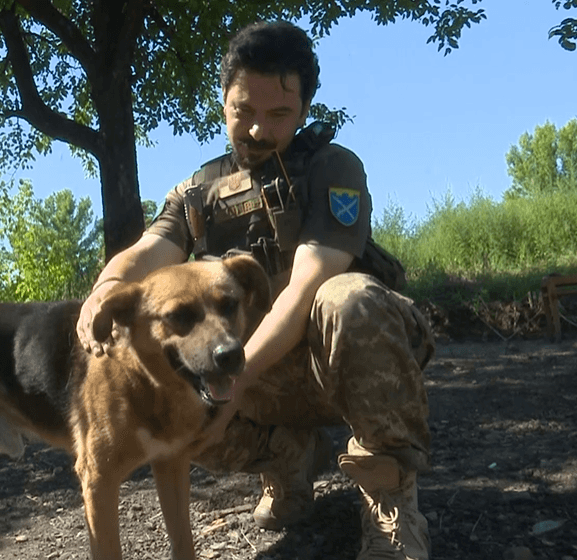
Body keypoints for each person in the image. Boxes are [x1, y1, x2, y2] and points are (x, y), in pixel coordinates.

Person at [76, 20, 435, 560]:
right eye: (243, 110)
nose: (259, 130)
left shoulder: (334, 168)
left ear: (304, 111)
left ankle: (389, 499)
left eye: (279, 115)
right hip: (252, 375)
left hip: (334, 360)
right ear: (223, 99)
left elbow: (307, 285)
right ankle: (289, 464)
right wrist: (104, 289)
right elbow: (148, 252)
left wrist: (237, 379)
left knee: (349, 298)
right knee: (172, 373)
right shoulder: (198, 190)